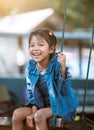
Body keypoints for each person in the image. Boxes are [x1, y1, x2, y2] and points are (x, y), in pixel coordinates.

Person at [12, 29, 78, 130]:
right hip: (41, 106)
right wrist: (33, 112)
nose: (35, 48)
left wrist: (63, 69)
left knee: (39, 116)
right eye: (32, 45)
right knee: (17, 114)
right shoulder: (31, 68)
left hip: (61, 105)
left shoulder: (57, 65)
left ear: (51, 49)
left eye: (40, 45)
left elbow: (64, 91)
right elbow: (31, 94)